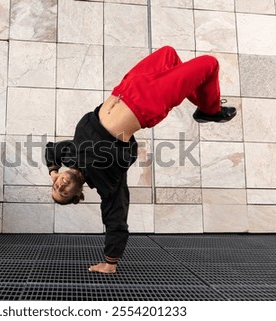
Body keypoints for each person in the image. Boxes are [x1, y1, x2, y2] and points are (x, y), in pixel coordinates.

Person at [45, 46, 236, 274]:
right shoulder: (105, 179)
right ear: (78, 194)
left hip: (127, 87)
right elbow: (115, 215)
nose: (60, 186)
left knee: (169, 55)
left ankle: (204, 105)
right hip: (146, 101)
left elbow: (50, 150)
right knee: (209, 63)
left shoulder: (69, 154)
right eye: (63, 193)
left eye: (55, 187)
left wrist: (52, 172)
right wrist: (110, 262)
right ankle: (211, 110)